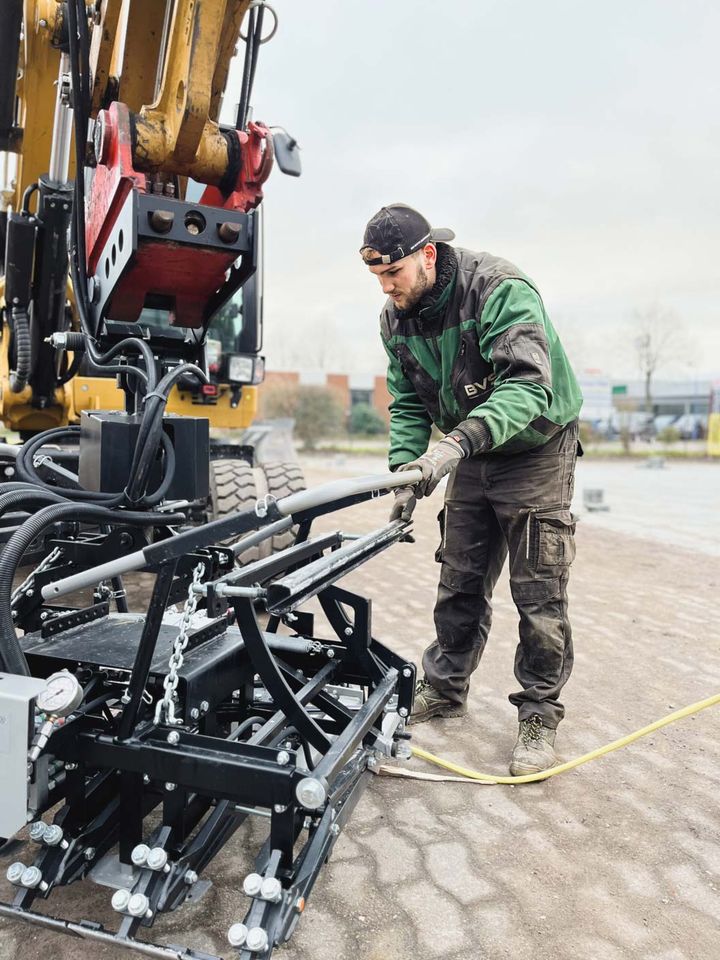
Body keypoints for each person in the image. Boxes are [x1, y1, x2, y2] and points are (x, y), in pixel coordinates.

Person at [360, 203, 583, 775]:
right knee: (458, 576)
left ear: (427, 256)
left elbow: (529, 388)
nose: (387, 289)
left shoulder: (499, 290)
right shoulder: (396, 319)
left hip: (534, 445)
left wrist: (454, 447)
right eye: (378, 278)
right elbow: (409, 402)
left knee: (538, 591)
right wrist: (405, 473)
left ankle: (538, 713)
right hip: (472, 446)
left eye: (395, 274)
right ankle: (444, 687)